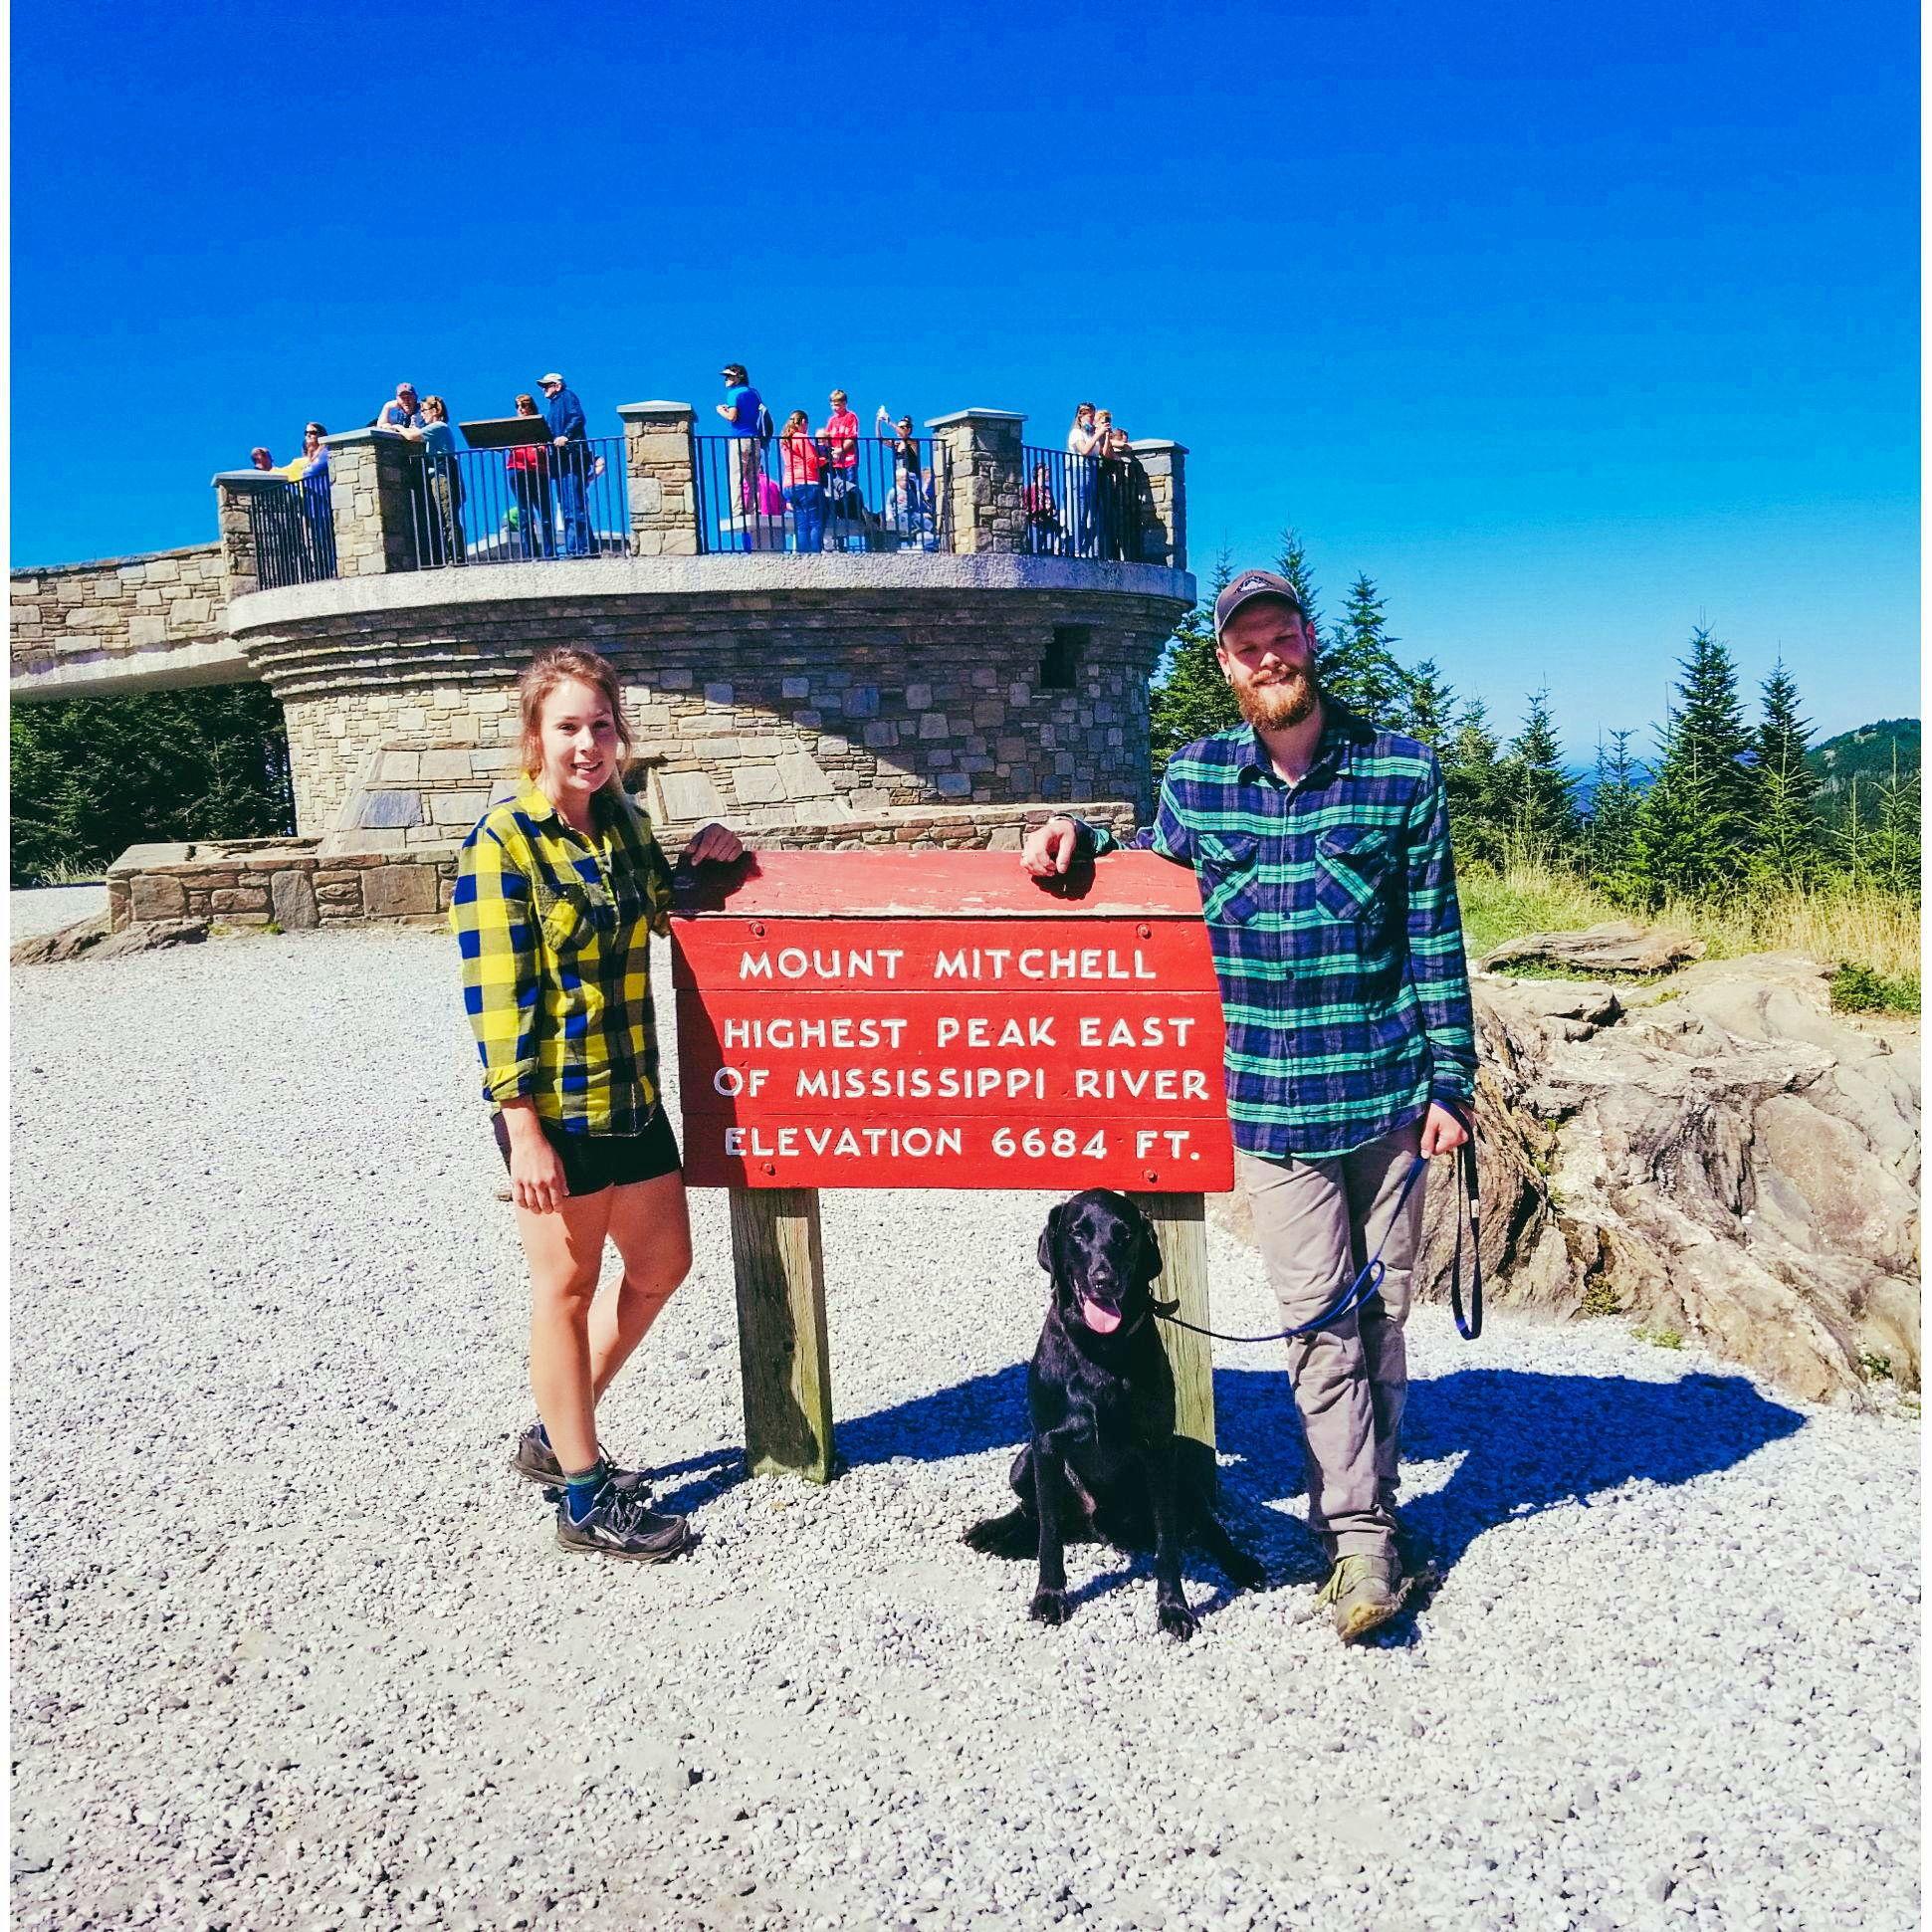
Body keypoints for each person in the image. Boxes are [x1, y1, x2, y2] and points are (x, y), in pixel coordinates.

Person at [1019, 569, 1478, 1644]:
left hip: (1386, 1101)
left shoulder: (1399, 772)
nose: (1268, 657)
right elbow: (1148, 876)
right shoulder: (1199, 781)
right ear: (1225, 667)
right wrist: (1075, 837)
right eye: (1246, 646)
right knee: (1320, 1328)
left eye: (1281, 636)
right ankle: (1360, 1541)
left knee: (1383, 1321)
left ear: (1308, 642)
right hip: (1271, 1111)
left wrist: (1450, 1081)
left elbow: (1436, 938)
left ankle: (1363, 1507)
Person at [453, 646, 744, 1561]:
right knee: (566, 1290)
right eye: (568, 727)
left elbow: (663, 906)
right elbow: (496, 996)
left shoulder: (621, 823)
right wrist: (520, 1126)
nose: (588, 743)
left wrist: (710, 860)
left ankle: (554, 1428)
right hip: (557, 1109)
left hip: (633, 1095)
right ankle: (582, 1497)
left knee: (662, 1265)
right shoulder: (503, 842)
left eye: (601, 725)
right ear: (533, 738)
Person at [403, 396, 467, 566]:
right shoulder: (435, 429)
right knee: (442, 517)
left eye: (424, 410)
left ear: (435, 411)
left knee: (448, 516)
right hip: (437, 477)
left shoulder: (439, 427)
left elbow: (411, 437)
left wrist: (396, 427)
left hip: (443, 477)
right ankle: (448, 555)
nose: (422, 414)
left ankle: (457, 556)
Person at [538, 373, 592, 557]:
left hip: (572, 458)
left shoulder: (567, 397)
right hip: (561, 461)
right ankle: (583, 547)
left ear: (557, 385)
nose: (543, 389)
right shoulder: (553, 406)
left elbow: (578, 417)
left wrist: (566, 436)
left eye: (547, 385)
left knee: (574, 505)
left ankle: (579, 549)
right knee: (569, 506)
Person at [715, 364, 764, 550]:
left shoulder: (734, 394)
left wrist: (721, 410)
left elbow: (733, 417)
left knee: (737, 476)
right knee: (753, 478)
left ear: (738, 377)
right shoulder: (754, 393)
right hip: (755, 439)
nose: (726, 379)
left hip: (739, 439)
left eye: (729, 376)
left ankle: (738, 510)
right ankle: (754, 508)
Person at [284, 422, 335, 577]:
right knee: (317, 541)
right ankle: (322, 572)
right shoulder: (310, 457)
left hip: (324, 502)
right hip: (311, 505)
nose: (308, 435)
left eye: (312, 432)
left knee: (327, 538)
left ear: (321, 434)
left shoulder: (327, 453)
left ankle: (332, 570)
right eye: (306, 433)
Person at [505, 393, 551, 559]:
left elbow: (547, 443)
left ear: (531, 407)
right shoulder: (513, 426)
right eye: (518, 406)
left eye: (524, 406)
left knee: (545, 514)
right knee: (525, 513)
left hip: (539, 471)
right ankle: (531, 554)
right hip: (517, 469)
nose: (521, 409)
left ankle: (549, 552)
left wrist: (542, 448)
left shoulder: (540, 424)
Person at [818, 387, 866, 549]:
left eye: (837, 404)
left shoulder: (851, 417)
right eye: (832, 404)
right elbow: (828, 438)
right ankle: (840, 536)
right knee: (836, 493)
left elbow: (851, 437)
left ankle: (853, 514)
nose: (834, 408)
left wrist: (841, 450)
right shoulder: (831, 421)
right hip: (836, 462)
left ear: (844, 403)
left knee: (850, 489)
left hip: (849, 460)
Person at [777, 409, 826, 552]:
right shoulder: (801, 438)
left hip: (789, 484)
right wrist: (828, 459)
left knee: (801, 523)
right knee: (815, 522)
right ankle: (814, 554)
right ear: (803, 422)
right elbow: (812, 461)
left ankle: (803, 555)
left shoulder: (786, 440)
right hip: (807, 483)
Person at [1065, 403, 1102, 555]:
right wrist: (1097, 435)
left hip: (1092, 471)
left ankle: (1089, 548)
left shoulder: (1089, 434)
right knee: (1079, 509)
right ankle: (1076, 548)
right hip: (1081, 470)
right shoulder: (1076, 433)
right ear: (1081, 415)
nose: (1092, 419)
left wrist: (1102, 436)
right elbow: (1085, 450)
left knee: (1091, 511)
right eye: (1090, 416)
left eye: (1094, 416)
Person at [1023, 460, 1063, 555]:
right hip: (1034, 525)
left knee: (1049, 552)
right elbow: (1025, 508)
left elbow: (1053, 507)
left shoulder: (1048, 490)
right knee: (1035, 553)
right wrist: (1041, 508)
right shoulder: (1029, 489)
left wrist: (1053, 511)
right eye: (1045, 470)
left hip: (1047, 525)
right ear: (1038, 472)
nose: (1048, 472)